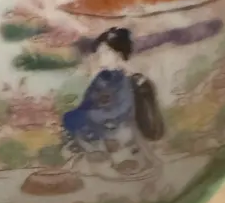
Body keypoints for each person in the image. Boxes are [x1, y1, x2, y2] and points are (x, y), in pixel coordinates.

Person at [62, 28, 164, 169]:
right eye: (99, 52)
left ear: (118, 54)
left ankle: (107, 156)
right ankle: (89, 151)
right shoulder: (102, 77)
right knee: (72, 118)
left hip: (116, 122)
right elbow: (89, 98)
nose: (100, 56)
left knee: (98, 129)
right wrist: (84, 111)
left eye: (105, 52)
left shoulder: (125, 80)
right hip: (100, 117)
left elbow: (122, 108)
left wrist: (93, 116)